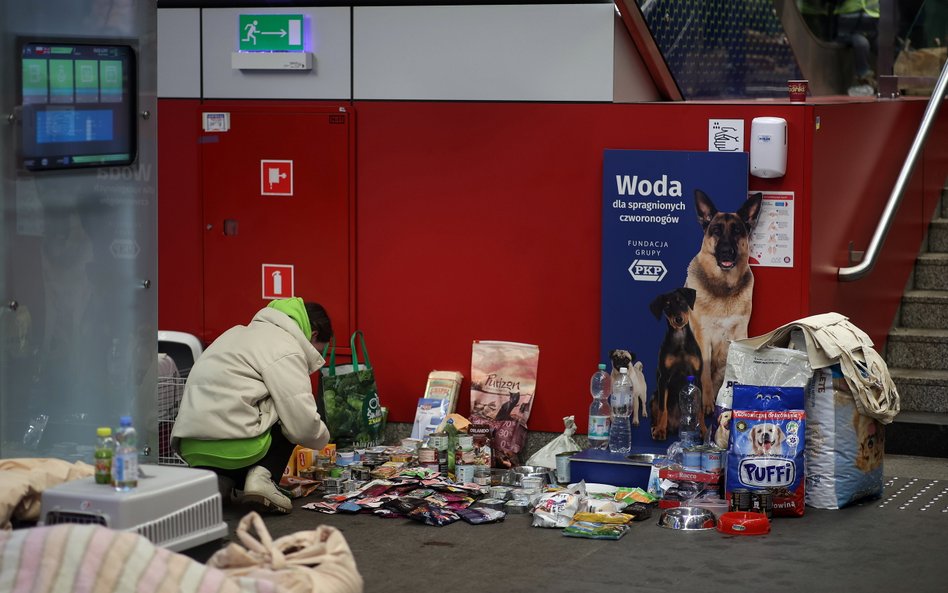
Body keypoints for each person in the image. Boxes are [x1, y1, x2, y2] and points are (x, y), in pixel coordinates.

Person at [171, 297, 333, 514]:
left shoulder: (235, 333)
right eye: (318, 350)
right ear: (313, 335)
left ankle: (219, 482)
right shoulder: (286, 346)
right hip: (240, 448)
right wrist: (324, 439)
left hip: (192, 447)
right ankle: (261, 479)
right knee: (290, 412)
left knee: (262, 403)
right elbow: (302, 423)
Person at [834, 0, 880, 96]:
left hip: (872, 25)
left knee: (883, 45)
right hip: (848, 27)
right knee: (862, 43)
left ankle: (884, 79)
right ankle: (864, 78)